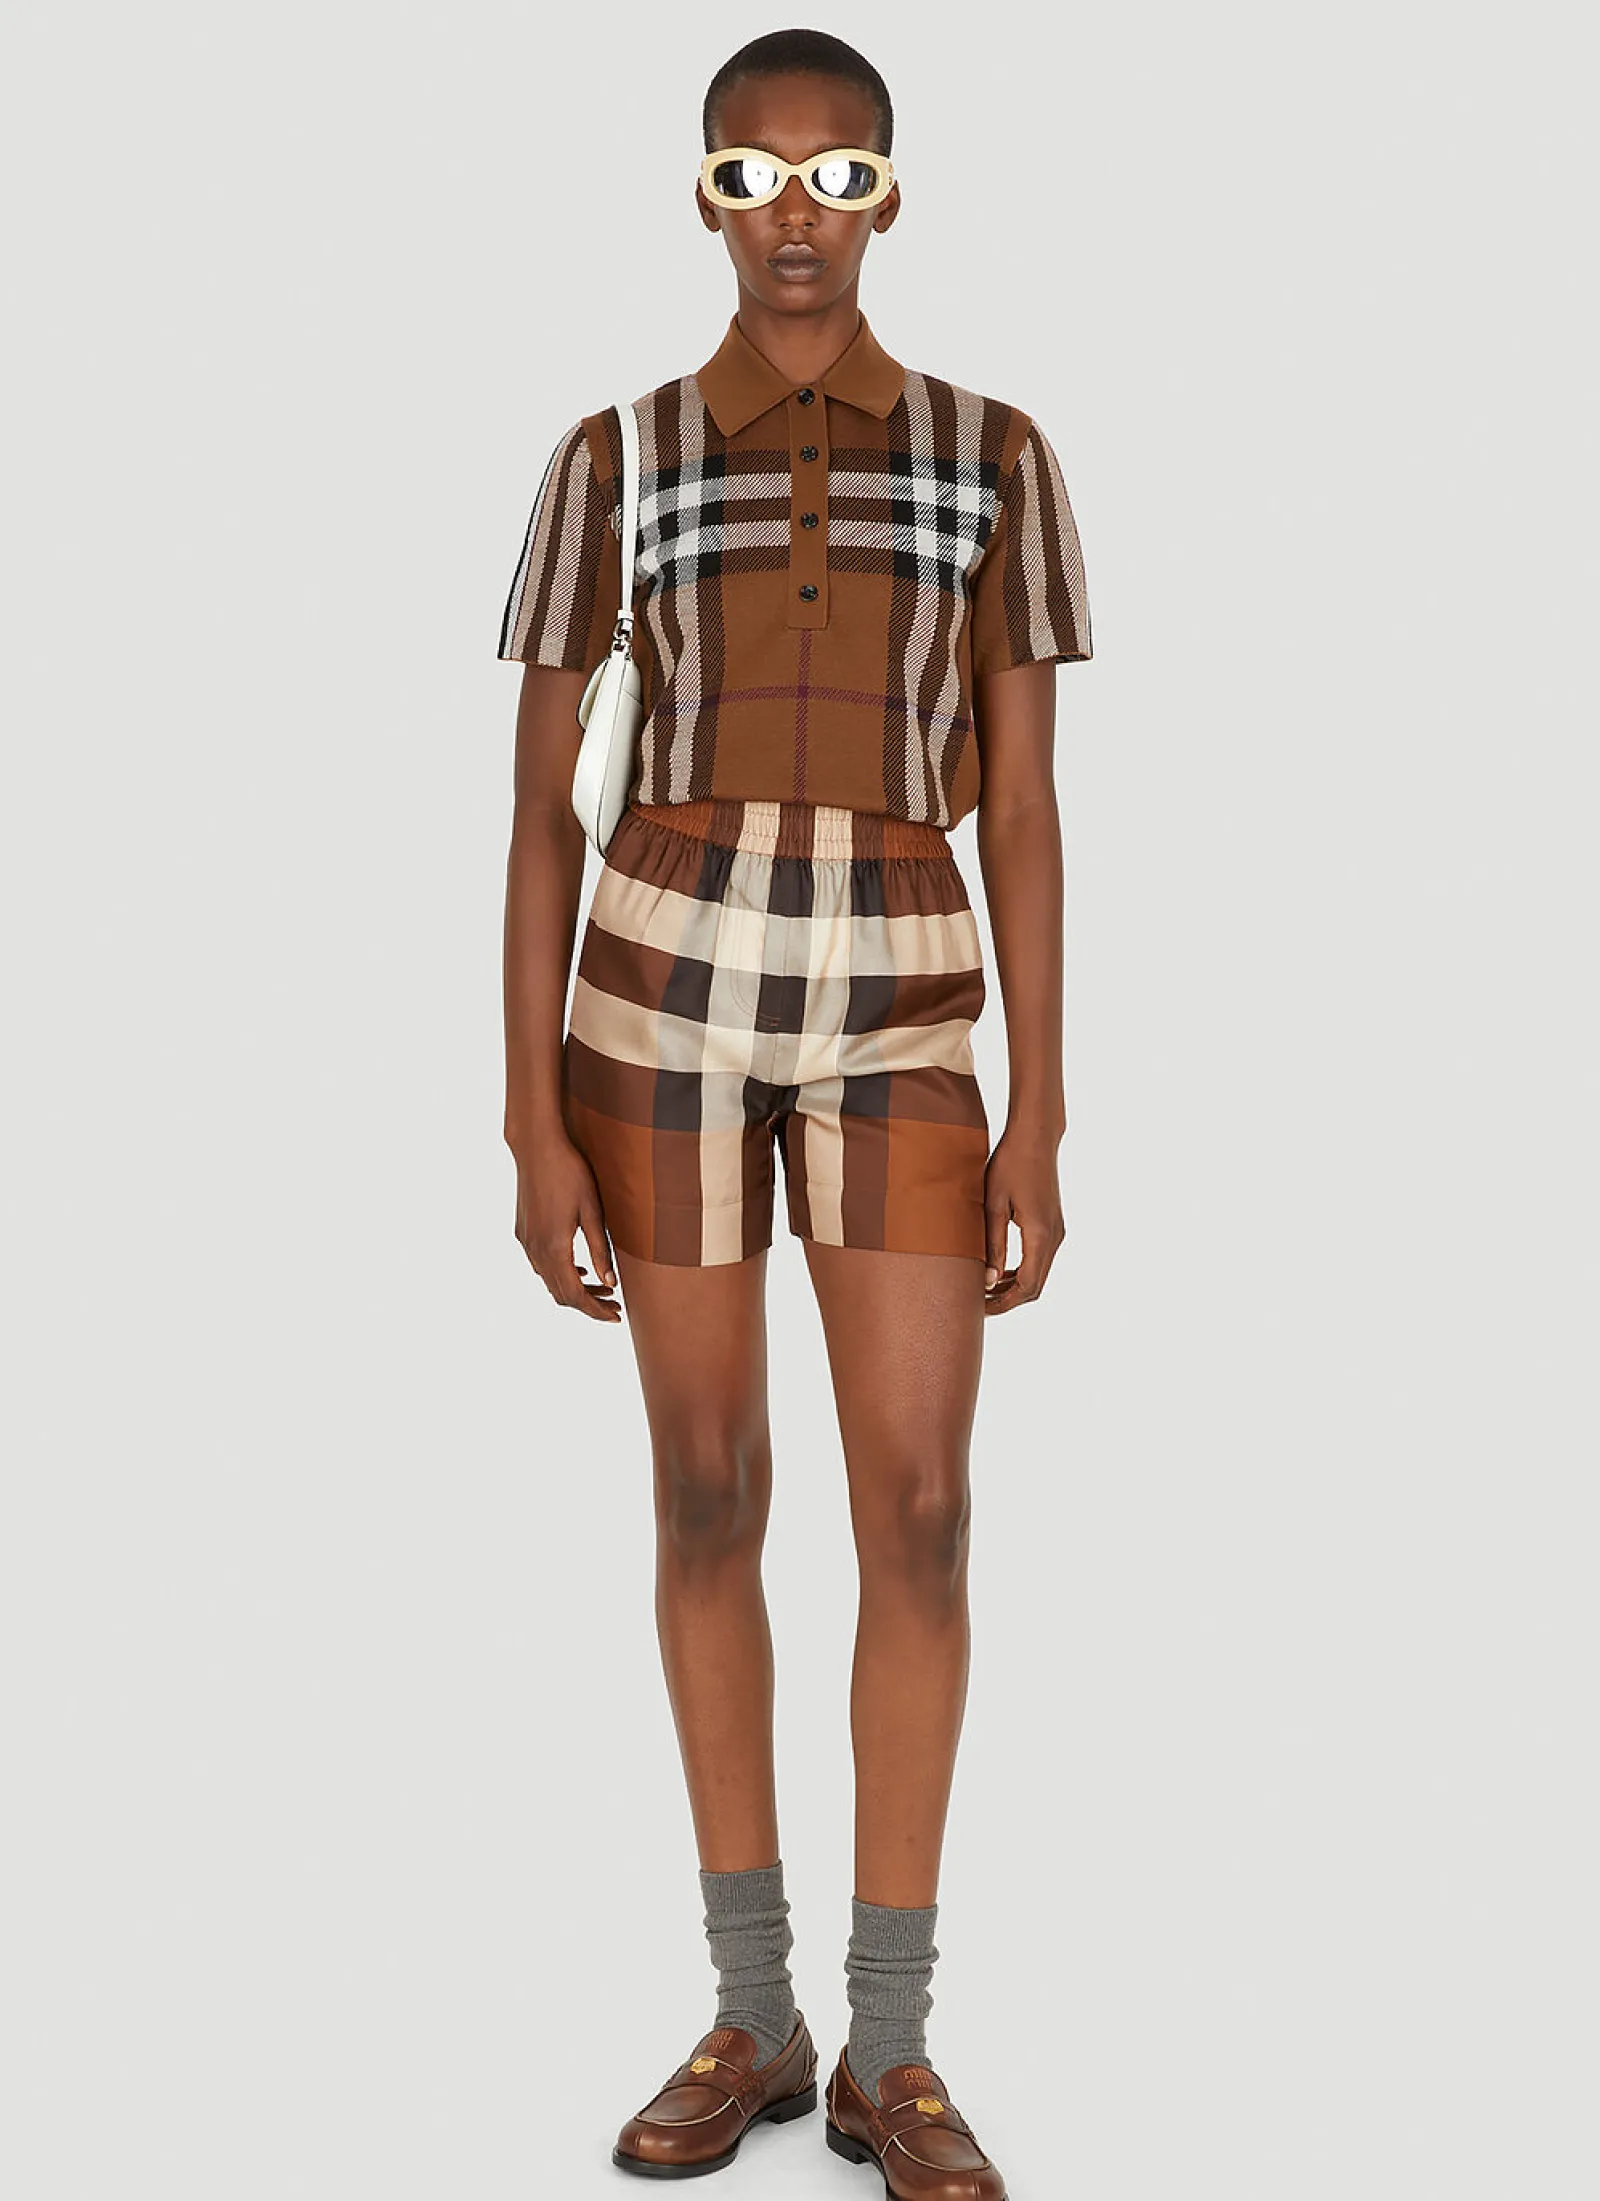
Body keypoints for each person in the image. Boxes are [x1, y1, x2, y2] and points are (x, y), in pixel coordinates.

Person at [496, 29, 1091, 2197]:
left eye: (837, 175)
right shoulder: (615, 456)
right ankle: (753, 2012)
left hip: (900, 997)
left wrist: (1038, 1114)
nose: (795, 216)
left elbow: (1023, 807)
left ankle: (891, 2046)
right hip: (654, 1000)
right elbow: (540, 811)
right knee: (705, 1493)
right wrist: (524, 1116)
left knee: (920, 1510)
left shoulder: (995, 456)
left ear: (890, 196)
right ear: (704, 197)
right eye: (753, 174)